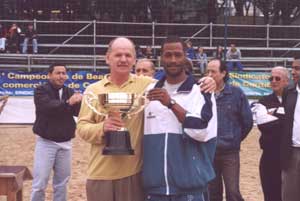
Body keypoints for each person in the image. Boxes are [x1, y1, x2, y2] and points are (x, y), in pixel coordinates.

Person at [76, 37, 216, 201]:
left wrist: (210, 81)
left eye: (128, 55)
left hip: (134, 174)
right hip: (100, 172)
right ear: (107, 58)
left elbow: (176, 82)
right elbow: (82, 127)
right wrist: (102, 128)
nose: (123, 59)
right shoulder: (93, 90)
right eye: (118, 55)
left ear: (134, 60)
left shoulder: (148, 86)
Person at [142, 36, 217, 201]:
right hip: (155, 190)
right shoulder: (148, 91)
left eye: (178, 55)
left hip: (189, 190)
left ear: (186, 57)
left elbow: (201, 131)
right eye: (168, 55)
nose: (173, 60)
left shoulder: (201, 91)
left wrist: (171, 104)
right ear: (161, 57)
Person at [30, 63, 82, 201]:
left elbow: (77, 113)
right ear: (49, 75)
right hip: (46, 143)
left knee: (62, 184)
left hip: (66, 143)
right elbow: (48, 107)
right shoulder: (40, 90)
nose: (61, 76)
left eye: (64, 73)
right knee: (39, 183)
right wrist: (68, 103)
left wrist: (82, 102)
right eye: (58, 73)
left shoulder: (70, 91)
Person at [206, 58, 253, 201]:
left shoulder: (236, 94)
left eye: (213, 71)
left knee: (233, 192)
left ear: (223, 73)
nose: (209, 75)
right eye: (207, 71)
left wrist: (234, 138)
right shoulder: (202, 94)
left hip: (229, 152)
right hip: (208, 151)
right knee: (212, 192)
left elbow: (247, 122)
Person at [252, 66, 289, 201]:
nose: (273, 81)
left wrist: (274, 113)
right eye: (271, 78)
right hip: (269, 156)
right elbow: (263, 124)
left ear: (286, 81)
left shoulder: (295, 100)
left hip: (290, 155)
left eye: (277, 78)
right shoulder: (263, 101)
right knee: (270, 195)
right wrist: (286, 118)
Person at [280, 62, 300, 201]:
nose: (293, 72)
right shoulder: (288, 91)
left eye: (298, 68)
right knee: (289, 195)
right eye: (292, 68)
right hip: (292, 151)